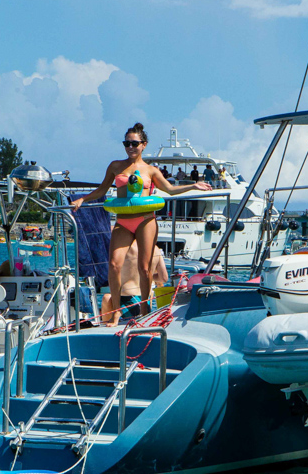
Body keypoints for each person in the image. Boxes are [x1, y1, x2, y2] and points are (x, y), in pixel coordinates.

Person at [72, 122, 211, 326]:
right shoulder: (115, 166)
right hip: (123, 221)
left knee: (144, 269)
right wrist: (82, 199)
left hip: (145, 220)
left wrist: (194, 186)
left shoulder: (151, 170)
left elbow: (170, 189)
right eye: (126, 143)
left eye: (134, 143)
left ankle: (145, 310)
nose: (130, 147)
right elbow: (102, 190)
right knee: (114, 264)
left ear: (144, 145)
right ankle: (116, 313)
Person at [100, 242, 168, 322]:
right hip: (145, 302)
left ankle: (107, 327)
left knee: (107, 298)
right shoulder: (155, 248)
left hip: (127, 300)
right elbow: (163, 278)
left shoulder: (124, 246)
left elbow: (114, 268)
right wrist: (144, 277)